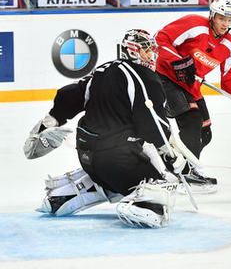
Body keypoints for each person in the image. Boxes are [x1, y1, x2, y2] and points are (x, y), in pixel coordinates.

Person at [23, 29, 195, 228]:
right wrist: (170, 156)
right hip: (119, 160)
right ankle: (142, 204)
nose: (151, 56)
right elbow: (152, 123)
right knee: (166, 181)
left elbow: (69, 95)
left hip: (88, 156)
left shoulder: (104, 69)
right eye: (146, 51)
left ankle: (73, 191)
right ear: (132, 51)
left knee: (114, 166)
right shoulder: (144, 76)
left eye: (152, 51)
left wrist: (50, 121)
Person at [154, 0, 231, 193]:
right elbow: (160, 39)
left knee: (204, 133)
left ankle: (187, 166)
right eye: (222, 19)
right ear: (212, 16)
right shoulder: (195, 24)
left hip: (191, 86)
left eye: (229, 20)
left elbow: (230, 77)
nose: (226, 24)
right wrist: (178, 61)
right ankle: (183, 175)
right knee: (191, 119)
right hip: (164, 77)